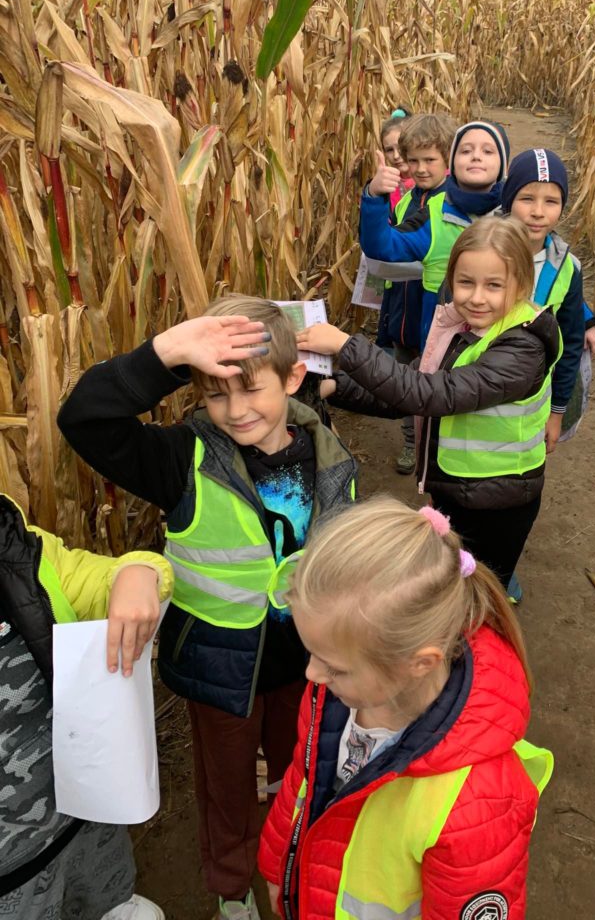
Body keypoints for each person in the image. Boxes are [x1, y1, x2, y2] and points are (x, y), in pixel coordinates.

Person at [57, 296, 358, 920]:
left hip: (310, 664)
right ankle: (231, 888)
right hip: (220, 670)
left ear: (292, 378)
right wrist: (167, 354)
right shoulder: (182, 459)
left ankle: (289, 865)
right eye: (216, 394)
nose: (236, 410)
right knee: (227, 789)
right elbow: (85, 419)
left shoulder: (329, 456)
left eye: (251, 390)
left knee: (298, 775)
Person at [257, 497, 551, 920]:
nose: (312, 674)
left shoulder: (476, 804)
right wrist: (280, 870)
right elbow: (303, 779)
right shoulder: (335, 694)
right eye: (312, 654)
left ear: (420, 663)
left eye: (334, 666)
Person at [299, 216, 561, 601]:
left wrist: (345, 346)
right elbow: (408, 387)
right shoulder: (466, 329)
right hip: (457, 487)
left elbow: (429, 395)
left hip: (498, 502)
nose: (477, 297)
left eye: (494, 285)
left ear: (521, 286)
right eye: (466, 282)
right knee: (451, 587)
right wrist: (335, 387)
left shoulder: (522, 348)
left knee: (479, 597)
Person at [0, 492, 172, 920]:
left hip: (85, 815)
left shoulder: (14, 544)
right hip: (12, 879)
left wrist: (138, 572)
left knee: (105, 896)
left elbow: (103, 577)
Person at [360, 119, 511, 348]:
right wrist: (374, 195)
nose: (421, 169)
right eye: (466, 151)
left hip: (493, 345)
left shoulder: (514, 216)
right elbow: (381, 247)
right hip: (428, 337)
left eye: (429, 160)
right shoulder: (433, 215)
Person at [502, 148, 595, 449]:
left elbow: (570, 344)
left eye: (551, 201)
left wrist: (557, 413)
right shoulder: (481, 249)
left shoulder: (567, 269)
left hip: (534, 394)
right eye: (527, 198)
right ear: (508, 200)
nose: (538, 212)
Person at [374, 113, 454, 474]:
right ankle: (412, 442)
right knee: (407, 382)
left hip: (433, 314)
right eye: (413, 159)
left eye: (429, 160)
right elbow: (385, 250)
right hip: (402, 312)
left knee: (434, 381)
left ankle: (434, 447)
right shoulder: (406, 200)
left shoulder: (450, 205)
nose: (419, 168)